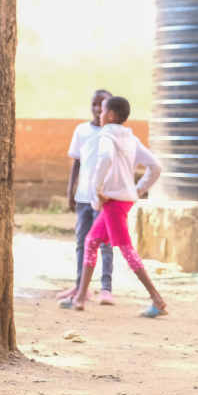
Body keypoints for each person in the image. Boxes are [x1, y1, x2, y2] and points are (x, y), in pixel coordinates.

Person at [66, 96, 167, 317]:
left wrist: (97, 190)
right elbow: (156, 166)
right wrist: (137, 190)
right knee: (91, 241)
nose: (100, 115)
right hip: (122, 200)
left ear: (110, 115)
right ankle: (80, 298)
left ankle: (157, 300)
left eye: (102, 111)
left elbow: (105, 158)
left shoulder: (107, 137)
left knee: (126, 249)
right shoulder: (131, 138)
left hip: (112, 202)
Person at [57, 89, 116, 307]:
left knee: (105, 243)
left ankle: (106, 288)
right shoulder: (82, 130)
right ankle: (81, 284)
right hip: (83, 197)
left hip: (105, 198)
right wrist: (69, 191)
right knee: (82, 241)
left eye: (103, 105)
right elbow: (77, 163)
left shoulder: (114, 133)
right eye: (94, 104)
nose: (98, 109)